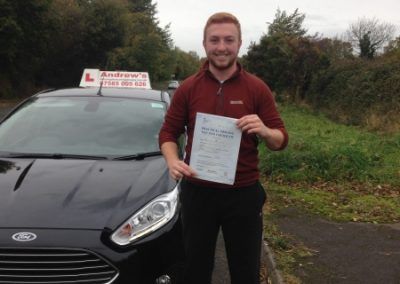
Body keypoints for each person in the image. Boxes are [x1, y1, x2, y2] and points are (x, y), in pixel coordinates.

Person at [158, 12, 288, 284]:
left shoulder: (257, 88)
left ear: (239, 44)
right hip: (198, 192)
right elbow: (168, 133)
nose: (221, 47)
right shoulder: (188, 88)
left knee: (245, 270)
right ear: (204, 44)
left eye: (229, 40)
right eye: (214, 40)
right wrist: (172, 160)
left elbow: (280, 140)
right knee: (195, 269)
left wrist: (264, 130)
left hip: (243, 194)